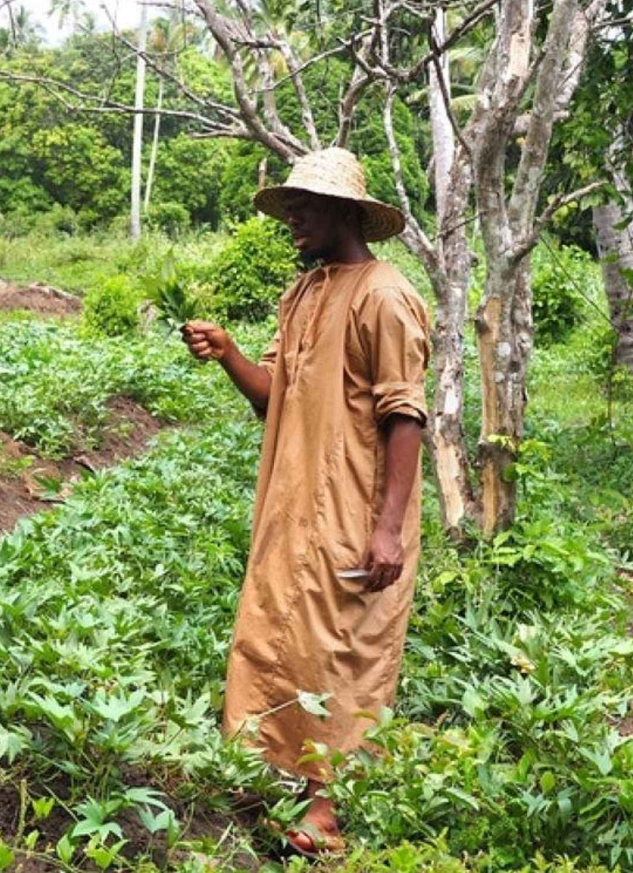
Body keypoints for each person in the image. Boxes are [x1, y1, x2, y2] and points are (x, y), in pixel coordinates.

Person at [181, 148, 430, 856]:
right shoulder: (303, 293)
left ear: (346, 212)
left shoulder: (385, 295)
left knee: (337, 654)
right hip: (291, 509)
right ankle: (274, 775)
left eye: (306, 206)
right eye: (289, 205)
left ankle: (327, 807)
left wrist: (388, 531)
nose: (292, 218)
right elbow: (277, 399)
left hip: (353, 513)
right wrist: (229, 352)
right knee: (274, 639)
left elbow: (404, 415)